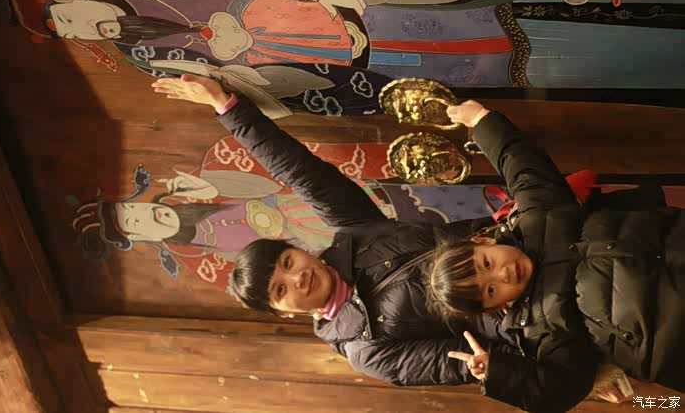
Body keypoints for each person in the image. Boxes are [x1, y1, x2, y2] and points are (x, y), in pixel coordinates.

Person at [150, 73, 528, 388]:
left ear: (299, 250)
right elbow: (478, 363)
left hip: (520, 238)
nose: (297, 278)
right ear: (283, 313)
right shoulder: (368, 352)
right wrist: (501, 355)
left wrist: (227, 107)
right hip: (531, 311)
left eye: (287, 262)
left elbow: (298, 170)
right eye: (280, 290)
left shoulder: (354, 233)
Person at [424, 100, 684, 412]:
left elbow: (524, 167)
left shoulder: (539, 218)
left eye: (487, 263)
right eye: (491, 290)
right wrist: (497, 373)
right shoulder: (542, 327)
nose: (503, 274)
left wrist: (482, 122)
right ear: (494, 307)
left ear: (483, 240)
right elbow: (556, 390)